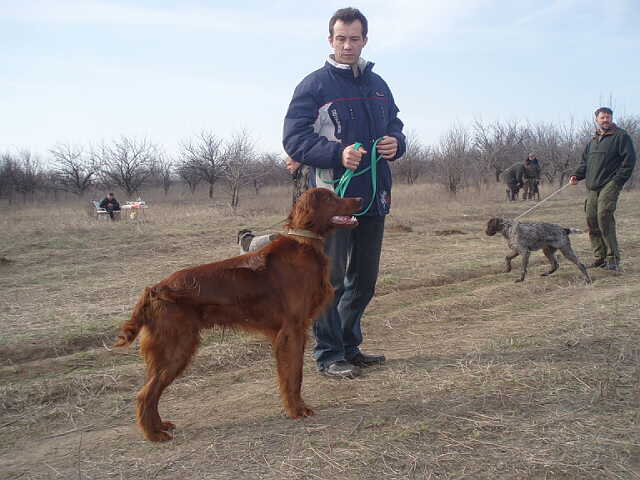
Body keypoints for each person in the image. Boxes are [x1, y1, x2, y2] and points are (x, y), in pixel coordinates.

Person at [282, 7, 406, 378]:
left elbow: (396, 124)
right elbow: (294, 139)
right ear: (330, 40)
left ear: (364, 40)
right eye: (341, 38)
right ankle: (329, 354)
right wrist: (337, 153)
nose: (347, 45)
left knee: (364, 281)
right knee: (329, 281)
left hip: (373, 196)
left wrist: (396, 143)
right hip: (330, 201)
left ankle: (350, 346)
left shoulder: (379, 85)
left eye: (354, 38)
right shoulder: (314, 86)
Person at [569, 107, 636, 271]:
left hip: (610, 184)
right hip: (592, 187)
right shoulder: (593, 140)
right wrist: (577, 175)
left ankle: (613, 259)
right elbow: (585, 163)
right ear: (597, 120)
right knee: (591, 219)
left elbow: (629, 161)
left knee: (604, 217)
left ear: (611, 118)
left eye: (608, 117)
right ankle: (600, 258)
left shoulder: (621, 136)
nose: (606, 120)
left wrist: (617, 181)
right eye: (602, 117)